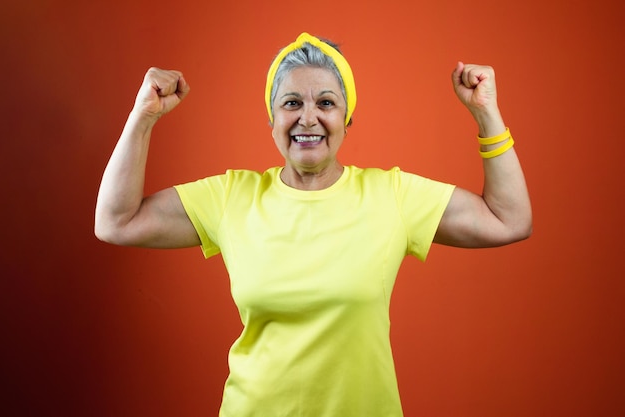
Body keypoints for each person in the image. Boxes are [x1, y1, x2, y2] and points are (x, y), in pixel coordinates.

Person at [95, 32, 531, 417]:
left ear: (347, 118)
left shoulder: (391, 195)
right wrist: (143, 117)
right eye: (291, 103)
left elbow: (508, 220)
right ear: (271, 120)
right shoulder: (231, 197)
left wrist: (486, 113)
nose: (307, 118)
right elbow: (116, 222)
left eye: (325, 102)